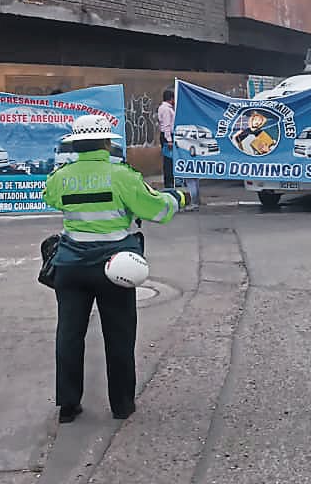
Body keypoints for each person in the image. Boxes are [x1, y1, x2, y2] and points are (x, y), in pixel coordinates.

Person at [42, 115, 190, 423]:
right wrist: (178, 198)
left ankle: (68, 405)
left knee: (69, 334)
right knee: (119, 334)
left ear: (76, 144)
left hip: (69, 266)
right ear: (107, 143)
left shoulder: (61, 176)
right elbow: (157, 210)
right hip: (114, 267)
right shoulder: (122, 175)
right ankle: (122, 405)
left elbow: (52, 199)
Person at [158, 88, 176, 189]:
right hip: (167, 136)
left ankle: (170, 180)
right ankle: (169, 182)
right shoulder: (166, 109)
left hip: (166, 135)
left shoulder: (166, 108)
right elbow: (167, 125)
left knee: (169, 160)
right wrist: (169, 140)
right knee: (168, 160)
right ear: (171, 98)